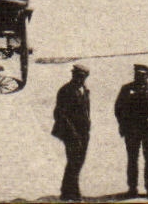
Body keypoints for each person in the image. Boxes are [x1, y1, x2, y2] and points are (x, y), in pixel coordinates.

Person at [114, 63, 148, 199]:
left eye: (142, 75)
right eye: (137, 74)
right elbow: (118, 108)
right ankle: (132, 188)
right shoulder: (126, 89)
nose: (139, 77)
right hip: (132, 130)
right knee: (132, 159)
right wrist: (123, 124)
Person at [52, 63, 91, 201]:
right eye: (76, 75)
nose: (79, 78)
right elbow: (59, 114)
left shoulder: (84, 89)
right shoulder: (66, 90)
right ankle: (71, 192)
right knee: (74, 160)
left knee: (78, 161)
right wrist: (72, 133)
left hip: (83, 132)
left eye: (82, 76)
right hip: (70, 132)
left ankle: (67, 190)